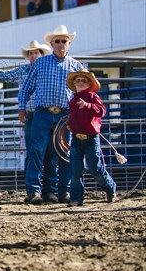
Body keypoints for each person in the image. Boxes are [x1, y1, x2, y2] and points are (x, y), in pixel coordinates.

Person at [0, 40, 52, 184]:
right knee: (33, 149)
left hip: (44, 112)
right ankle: (33, 186)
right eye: (30, 53)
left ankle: (44, 186)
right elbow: (4, 75)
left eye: (35, 53)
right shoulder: (24, 70)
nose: (33, 56)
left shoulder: (47, 69)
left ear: (41, 54)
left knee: (47, 150)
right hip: (32, 113)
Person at [18, 25, 84, 205]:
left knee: (63, 153)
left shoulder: (76, 66)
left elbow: (83, 91)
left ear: (69, 44)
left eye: (64, 41)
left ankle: (62, 192)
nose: (61, 44)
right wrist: (22, 107)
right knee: (37, 151)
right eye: (57, 41)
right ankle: (34, 191)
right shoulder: (40, 63)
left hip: (65, 115)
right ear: (52, 43)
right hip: (43, 113)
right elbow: (27, 87)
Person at [66, 69, 116, 207]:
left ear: (89, 84)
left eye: (84, 80)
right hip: (76, 138)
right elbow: (73, 116)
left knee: (95, 167)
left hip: (91, 138)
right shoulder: (73, 100)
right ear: (74, 84)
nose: (80, 82)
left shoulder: (93, 97)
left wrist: (87, 105)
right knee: (75, 170)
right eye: (78, 81)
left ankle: (110, 187)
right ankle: (76, 198)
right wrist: (70, 124)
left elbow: (101, 111)